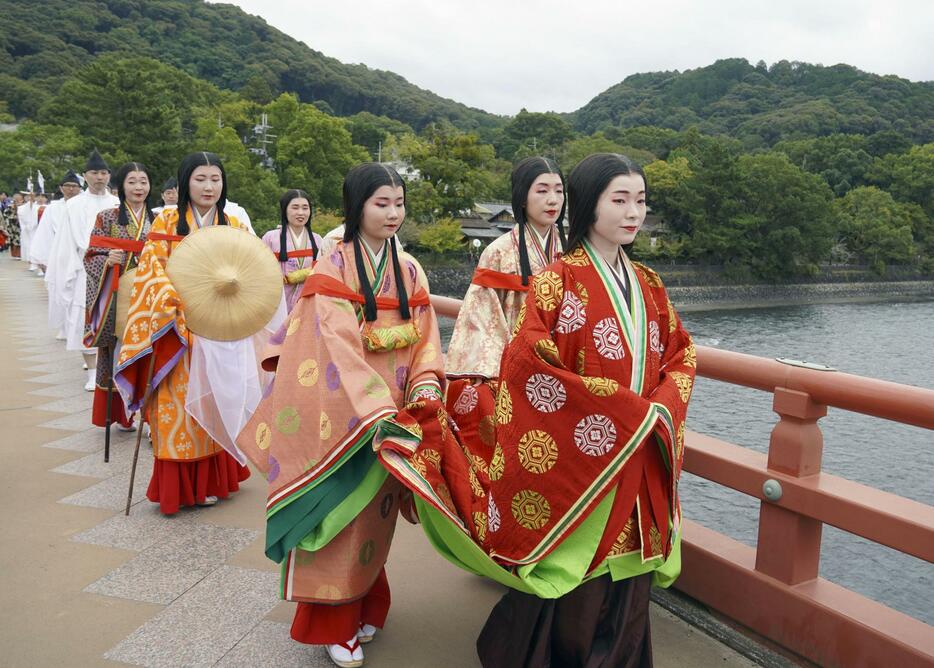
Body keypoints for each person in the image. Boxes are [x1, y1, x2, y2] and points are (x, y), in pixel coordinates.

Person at [375, 153, 697, 667]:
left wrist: (660, 407)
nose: (633, 212)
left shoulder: (650, 284)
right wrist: (616, 412)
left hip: (637, 450)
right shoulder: (557, 281)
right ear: (590, 203)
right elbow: (528, 365)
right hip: (585, 449)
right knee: (579, 574)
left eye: (640, 200)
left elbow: (680, 354)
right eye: (620, 199)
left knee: (630, 577)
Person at [238, 163, 446, 668]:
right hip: (345, 417)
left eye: (399, 203)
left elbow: (426, 337)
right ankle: (333, 622)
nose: (393, 213)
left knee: (376, 518)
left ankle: (368, 602)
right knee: (337, 518)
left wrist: (423, 388)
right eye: (382, 203)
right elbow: (333, 345)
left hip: (394, 414)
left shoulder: (410, 269)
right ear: (357, 206)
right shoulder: (333, 265)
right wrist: (375, 409)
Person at [114, 152, 251, 515]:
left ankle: (213, 481)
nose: (209, 187)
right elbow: (150, 274)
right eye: (201, 179)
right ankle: (181, 489)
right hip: (177, 331)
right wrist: (171, 302)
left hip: (221, 330)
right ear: (186, 180)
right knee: (177, 408)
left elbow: (249, 270)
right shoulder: (167, 223)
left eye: (216, 179)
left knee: (217, 402)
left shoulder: (233, 225)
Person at [84, 162, 154, 432]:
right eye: (132, 182)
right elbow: (91, 254)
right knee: (118, 353)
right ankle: (123, 414)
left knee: (149, 354)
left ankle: (150, 416)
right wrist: (106, 260)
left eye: (143, 181)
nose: (139, 187)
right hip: (118, 299)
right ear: (122, 186)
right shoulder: (107, 217)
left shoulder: (159, 219)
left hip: (149, 296)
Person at [46, 150, 119, 389]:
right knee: (83, 319)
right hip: (83, 269)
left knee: (113, 319)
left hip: (115, 268)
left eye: (103, 173)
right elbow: (69, 241)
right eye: (94, 173)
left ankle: (112, 367)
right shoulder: (74, 205)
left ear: (109, 176)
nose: (99, 177)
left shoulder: (117, 203)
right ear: (85, 176)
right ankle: (92, 371)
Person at [261, 189, 322, 312]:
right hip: (276, 303)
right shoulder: (271, 238)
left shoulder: (318, 240)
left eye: (305, 208)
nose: (301, 213)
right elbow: (260, 269)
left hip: (307, 304)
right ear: (285, 210)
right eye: (295, 207)